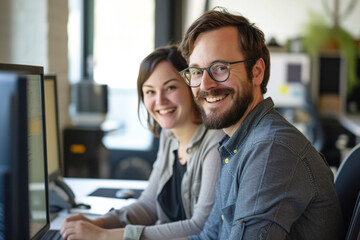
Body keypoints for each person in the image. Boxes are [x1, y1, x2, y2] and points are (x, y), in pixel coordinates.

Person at [177, 7, 345, 240]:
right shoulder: (234, 144)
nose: (205, 84)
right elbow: (208, 237)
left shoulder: (272, 148)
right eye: (196, 71)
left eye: (219, 68)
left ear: (256, 72)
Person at [60, 45, 224, 240]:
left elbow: (200, 226)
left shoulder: (215, 141)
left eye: (170, 87)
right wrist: (99, 223)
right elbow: (149, 205)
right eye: (150, 92)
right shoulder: (169, 136)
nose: (160, 100)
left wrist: (104, 236)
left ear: (191, 87)